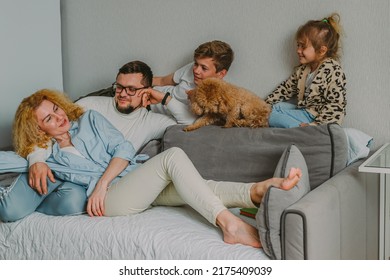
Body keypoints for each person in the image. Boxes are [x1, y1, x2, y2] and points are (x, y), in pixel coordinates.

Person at [1, 89, 302, 248]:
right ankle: (230, 225)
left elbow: (123, 149)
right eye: (48, 119)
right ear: (37, 129)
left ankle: (256, 191)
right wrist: (35, 158)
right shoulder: (46, 154)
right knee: (172, 158)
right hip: (109, 202)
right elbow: (6, 159)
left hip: (126, 182)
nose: (58, 117)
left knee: (192, 187)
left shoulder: (90, 120)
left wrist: (105, 182)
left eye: (55, 109)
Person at [27, 60, 194, 196]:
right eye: (119, 87)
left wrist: (165, 98)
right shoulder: (90, 105)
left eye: (131, 90)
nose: (122, 94)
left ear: (146, 91)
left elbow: (189, 124)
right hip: (83, 180)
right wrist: (37, 161)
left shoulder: (152, 121)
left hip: (119, 183)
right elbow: (49, 129)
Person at [265, 13, 347, 128]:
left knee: (270, 116)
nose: (298, 50)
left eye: (303, 46)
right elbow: (285, 89)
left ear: (322, 50)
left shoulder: (332, 69)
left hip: (316, 117)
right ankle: (300, 128)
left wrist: (315, 124)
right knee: (273, 108)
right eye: (298, 45)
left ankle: (308, 131)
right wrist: (263, 105)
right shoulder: (303, 70)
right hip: (305, 111)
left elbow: (336, 105)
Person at [151, 40, 234, 120]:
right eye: (196, 64)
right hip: (148, 97)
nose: (196, 70)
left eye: (204, 68)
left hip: (157, 116)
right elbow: (161, 81)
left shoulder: (219, 99)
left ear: (221, 74)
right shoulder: (192, 68)